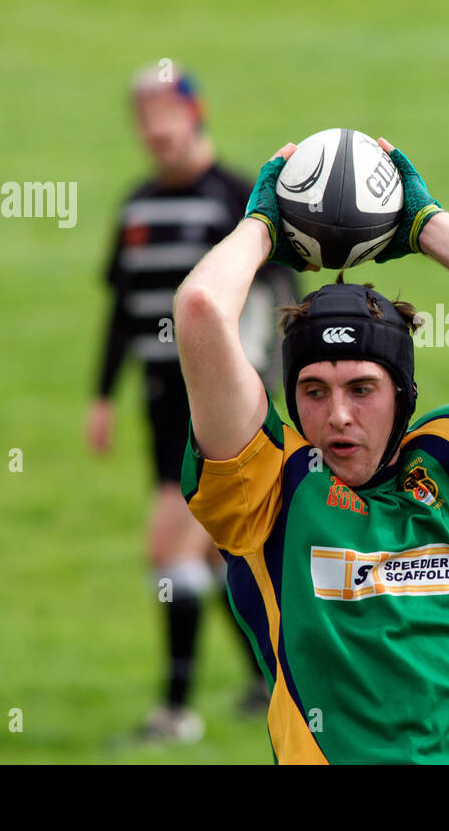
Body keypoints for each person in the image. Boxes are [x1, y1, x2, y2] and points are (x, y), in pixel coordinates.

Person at [173, 138, 449, 763]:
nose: (338, 415)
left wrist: (427, 225)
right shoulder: (266, 487)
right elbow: (202, 309)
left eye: (362, 389)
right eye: (313, 391)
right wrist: (260, 225)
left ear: (403, 396)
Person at [87, 63, 298, 744]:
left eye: (164, 113)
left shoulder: (236, 198)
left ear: (195, 113)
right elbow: (123, 307)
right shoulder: (138, 205)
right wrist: (101, 394)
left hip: (215, 400)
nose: (153, 128)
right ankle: (272, 678)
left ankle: (176, 709)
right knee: (210, 557)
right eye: (142, 116)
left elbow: (280, 297)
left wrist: (265, 384)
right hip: (157, 401)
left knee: (169, 546)